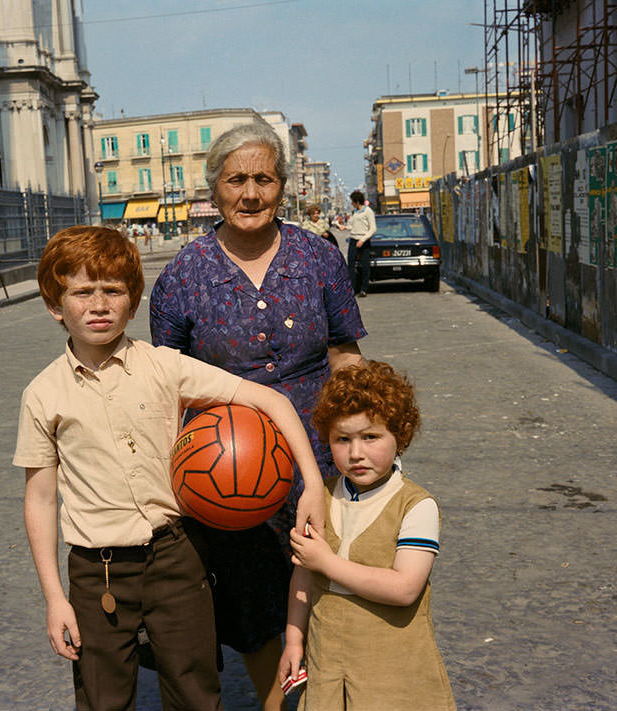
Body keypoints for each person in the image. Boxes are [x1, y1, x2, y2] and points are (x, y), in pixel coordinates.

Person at [14, 225, 326, 711]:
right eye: (82, 292)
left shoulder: (165, 366)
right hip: (98, 573)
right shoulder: (42, 394)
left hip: (176, 558)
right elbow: (40, 498)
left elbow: (270, 400)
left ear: (133, 303)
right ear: (56, 305)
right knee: (102, 699)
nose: (99, 305)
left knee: (195, 692)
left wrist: (311, 485)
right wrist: (56, 598)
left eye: (113, 291)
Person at [150, 121, 367, 711]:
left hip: (319, 462)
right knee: (254, 607)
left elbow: (346, 355)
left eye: (264, 179)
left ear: (282, 186)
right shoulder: (180, 278)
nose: (250, 193)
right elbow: (165, 385)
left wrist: (359, 445)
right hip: (231, 477)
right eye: (236, 179)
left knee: (329, 591)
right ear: (214, 188)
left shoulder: (319, 257)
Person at [278, 361, 456, 710]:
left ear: (399, 435)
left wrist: (327, 562)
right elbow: (302, 573)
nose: (356, 453)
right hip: (329, 666)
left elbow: (405, 588)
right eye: (342, 439)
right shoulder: (320, 496)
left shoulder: (416, 505)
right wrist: (294, 640)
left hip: (393, 671)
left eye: (370, 437)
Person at [347, 190, 376, 297]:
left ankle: (364, 289)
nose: (351, 203)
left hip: (364, 241)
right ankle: (353, 289)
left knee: (365, 266)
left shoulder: (368, 211)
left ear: (357, 201)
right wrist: (343, 227)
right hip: (353, 240)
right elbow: (352, 226)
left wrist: (363, 239)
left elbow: (373, 229)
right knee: (350, 265)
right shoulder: (355, 212)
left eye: (352, 201)